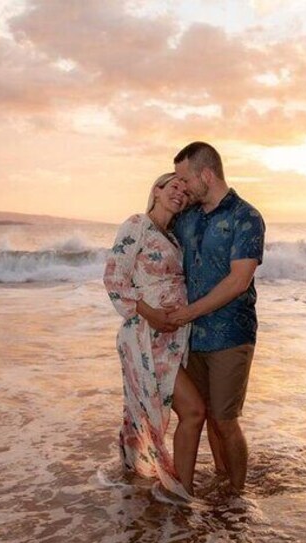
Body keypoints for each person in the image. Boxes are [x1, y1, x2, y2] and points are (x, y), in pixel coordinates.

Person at [168, 142, 265, 493]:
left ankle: (239, 496)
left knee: (225, 420)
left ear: (206, 175)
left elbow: (239, 281)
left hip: (230, 335)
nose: (182, 187)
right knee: (206, 414)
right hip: (192, 337)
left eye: (184, 178)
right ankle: (223, 478)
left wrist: (187, 313)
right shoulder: (188, 217)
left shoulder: (246, 217)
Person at [103, 173, 206, 498]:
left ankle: (137, 480)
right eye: (174, 186)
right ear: (157, 191)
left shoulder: (172, 237)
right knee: (193, 410)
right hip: (145, 335)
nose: (180, 193)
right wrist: (153, 315)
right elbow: (113, 278)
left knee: (145, 412)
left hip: (170, 337)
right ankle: (180, 492)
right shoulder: (137, 225)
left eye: (186, 192)